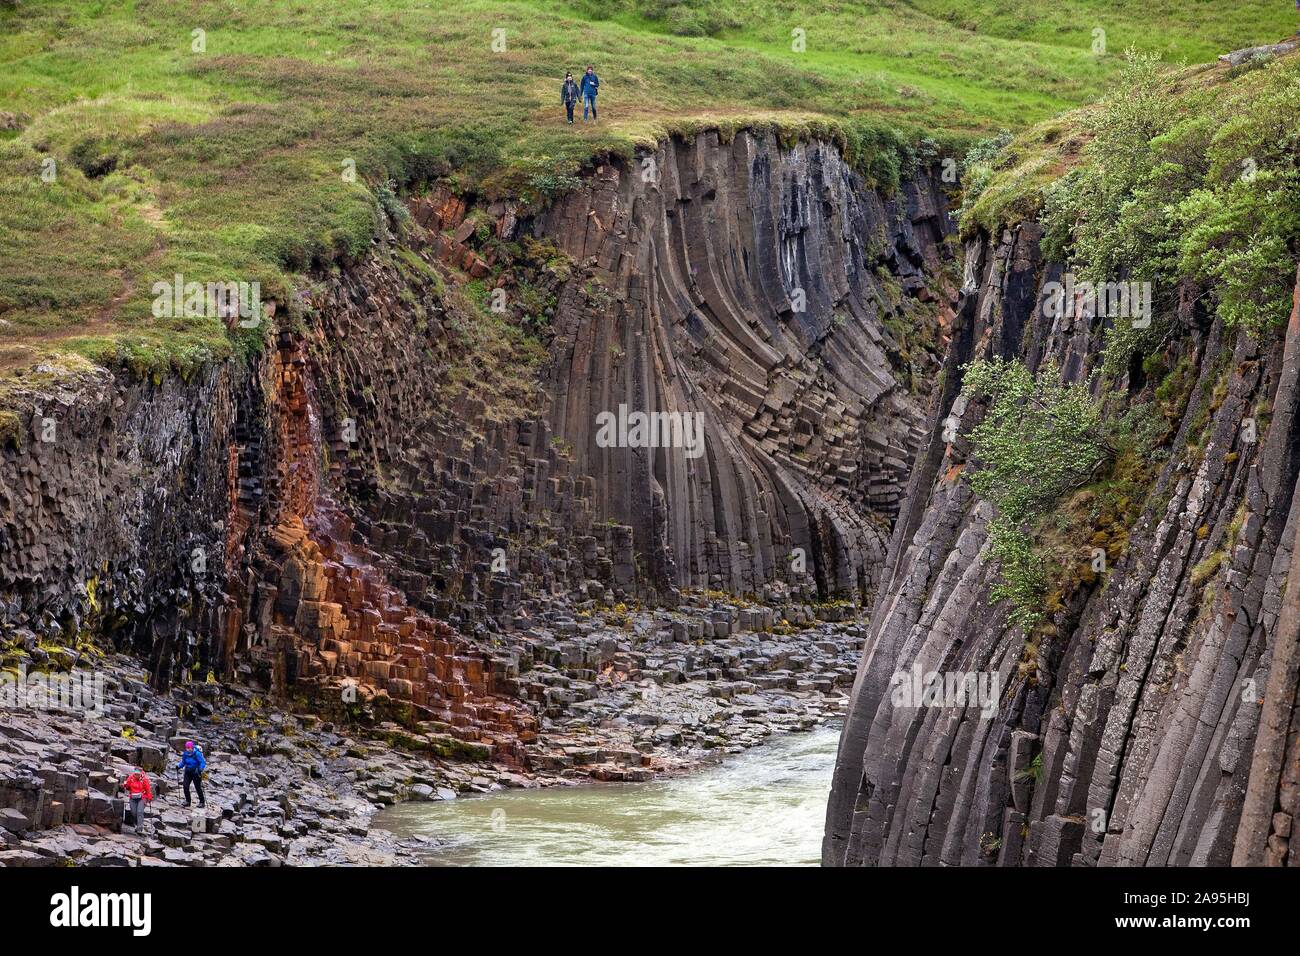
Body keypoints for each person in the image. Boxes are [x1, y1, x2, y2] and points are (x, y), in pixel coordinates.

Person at [177, 740, 207, 808]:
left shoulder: (197, 754)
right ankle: (188, 801)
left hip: (196, 772)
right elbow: (183, 762)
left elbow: (202, 762)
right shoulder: (185, 754)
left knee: (198, 787)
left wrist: (200, 769)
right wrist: (178, 766)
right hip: (187, 772)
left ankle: (202, 802)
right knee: (185, 786)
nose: (188, 749)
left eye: (189, 748)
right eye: (187, 748)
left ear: (192, 747)